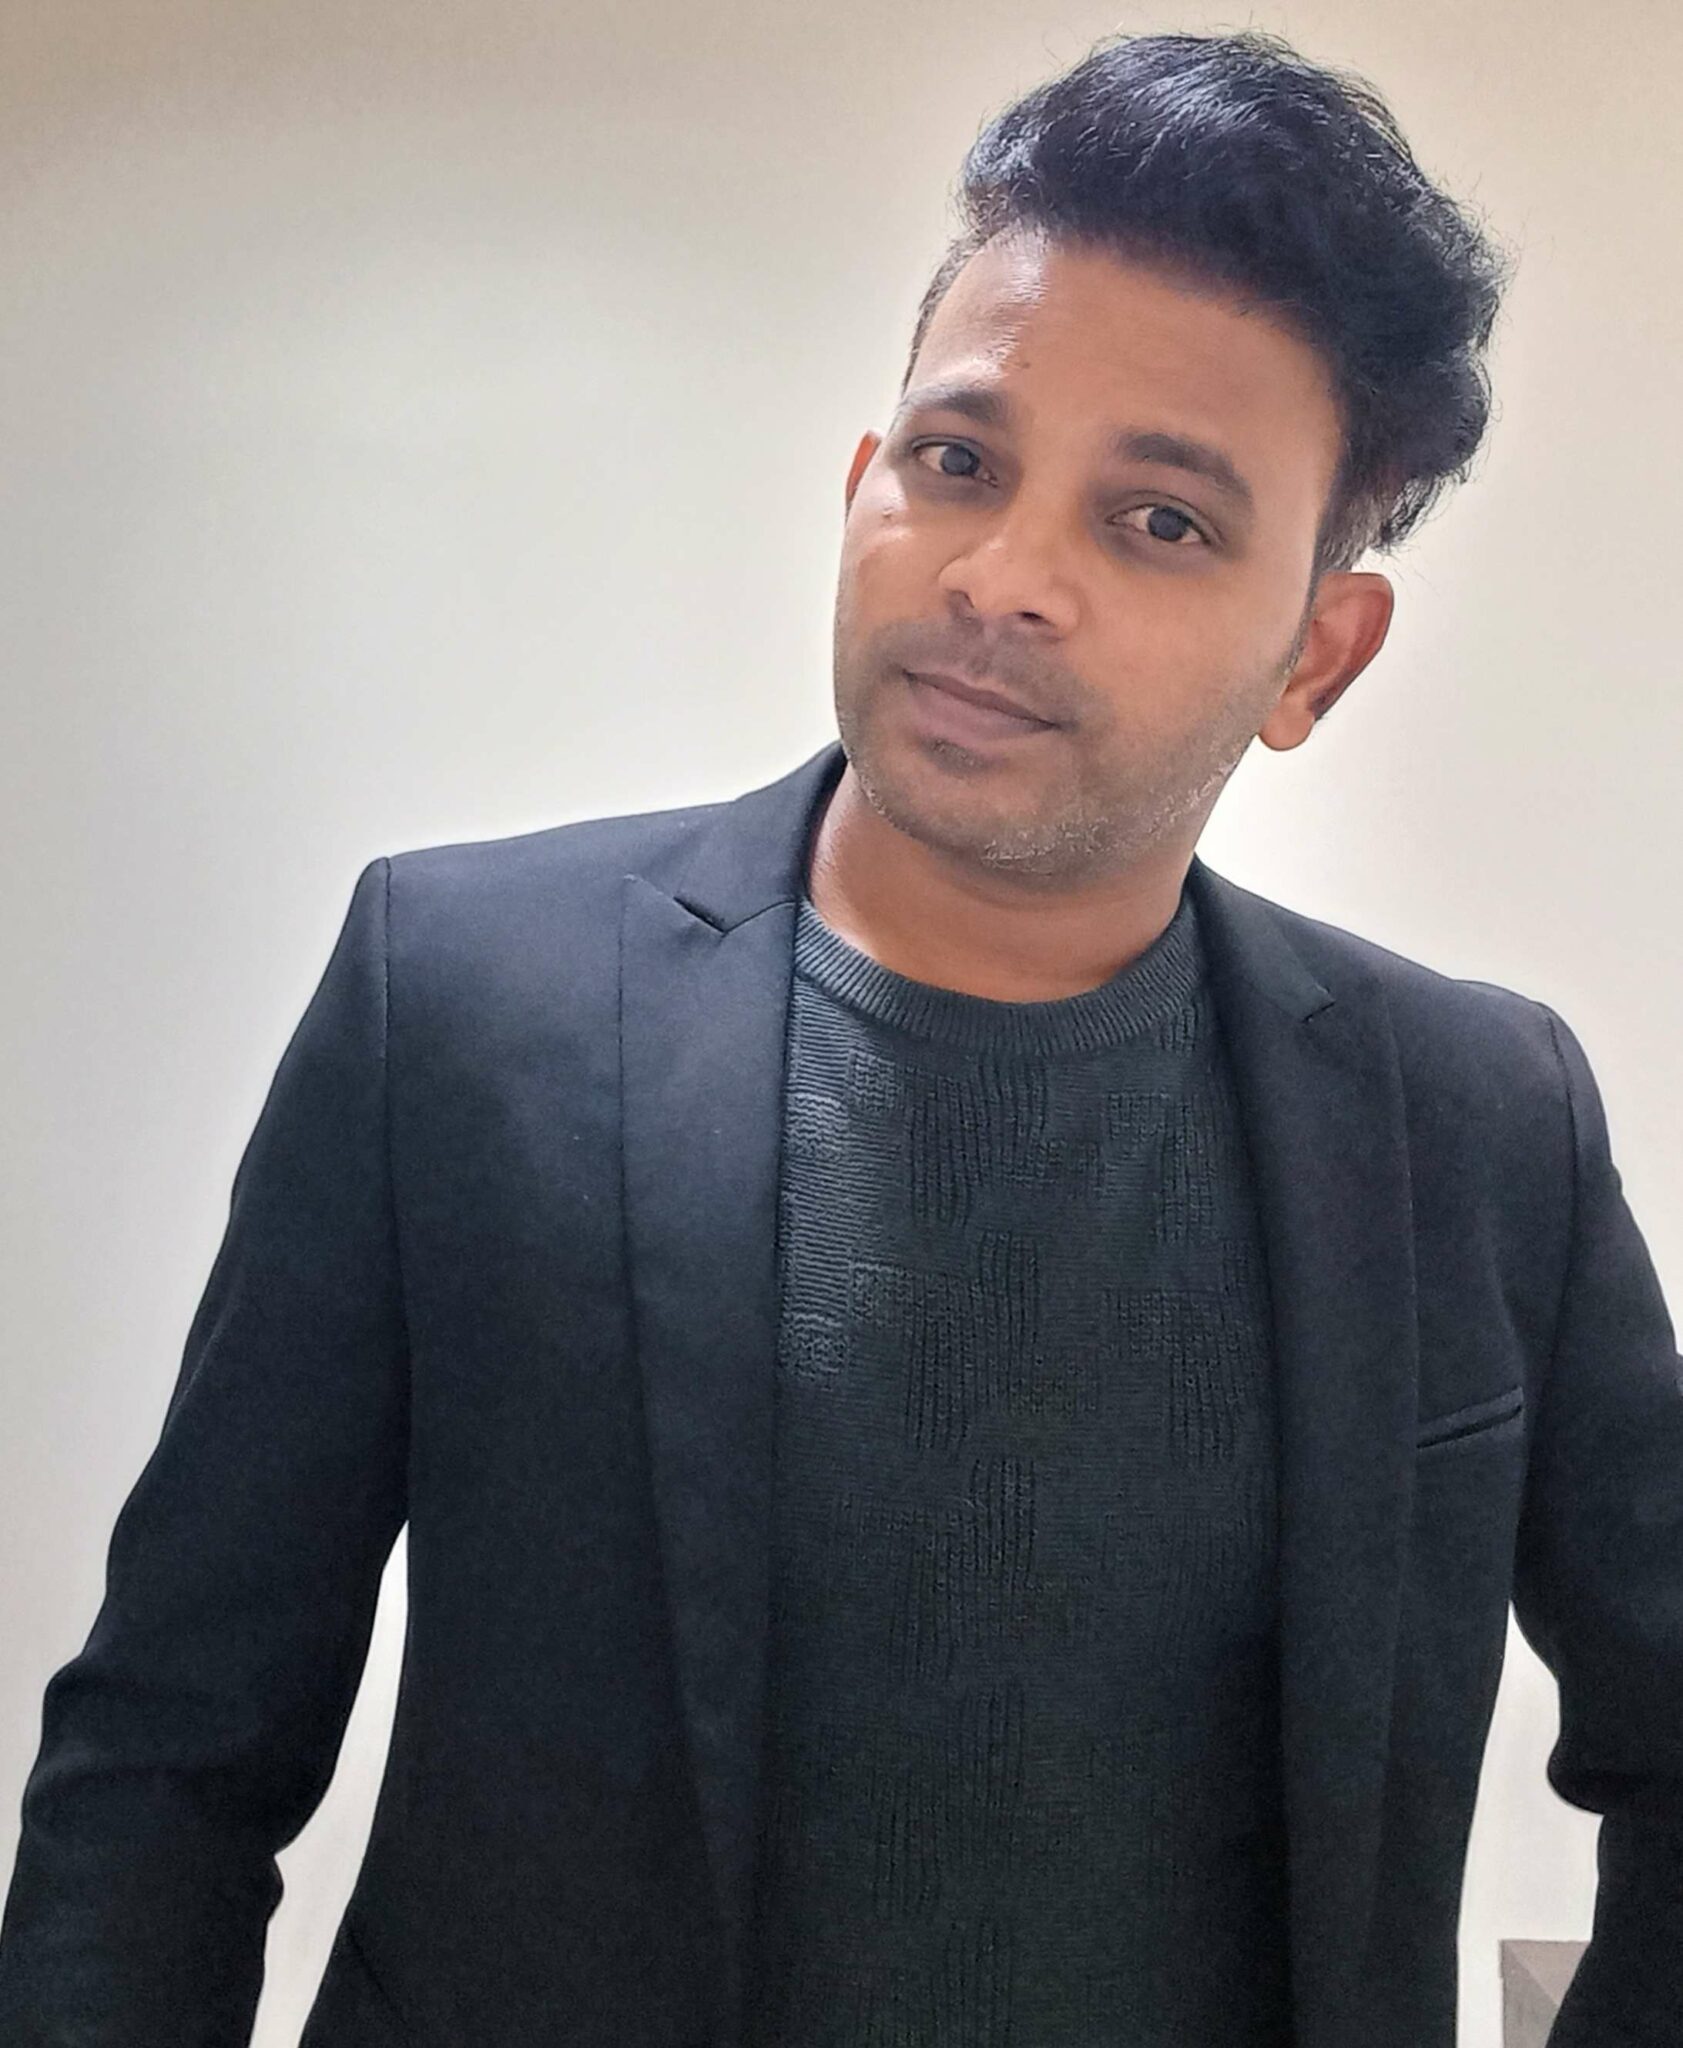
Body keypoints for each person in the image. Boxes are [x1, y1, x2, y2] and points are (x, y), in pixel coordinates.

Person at [1, 24, 1679, 2048]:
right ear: (861, 485)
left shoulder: (1474, 1124)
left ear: (1314, 654)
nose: (1003, 577)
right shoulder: (458, 1000)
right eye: (960, 462)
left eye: (1158, 521)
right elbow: (169, 1760)